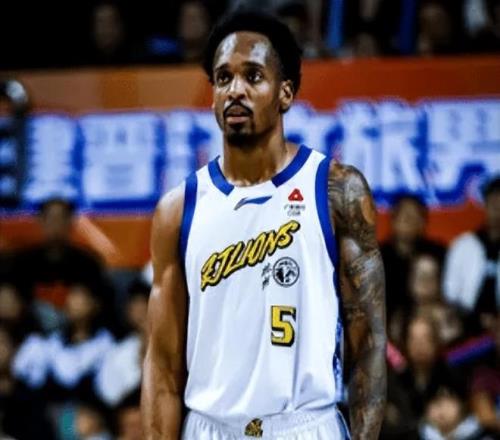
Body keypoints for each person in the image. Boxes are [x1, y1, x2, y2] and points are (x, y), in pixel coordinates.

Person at [141, 9, 386, 440]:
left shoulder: (336, 191)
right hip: (209, 428)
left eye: (253, 76)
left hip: (306, 425)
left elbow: (368, 345)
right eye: (223, 78)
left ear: (285, 92)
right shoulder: (178, 209)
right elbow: (162, 366)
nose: (235, 90)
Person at [12, 197, 112, 333]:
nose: (55, 224)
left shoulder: (87, 262)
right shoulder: (22, 262)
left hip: (77, 335)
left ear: (71, 222)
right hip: (29, 334)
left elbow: (100, 303)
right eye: (50, 218)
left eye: (61, 218)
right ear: (40, 221)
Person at [443, 176, 500, 335]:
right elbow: (450, 294)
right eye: (494, 204)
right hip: (465, 323)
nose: (497, 210)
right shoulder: (463, 245)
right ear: (485, 205)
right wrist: (476, 318)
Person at [380, 194, 445, 320]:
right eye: (405, 215)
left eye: (415, 216)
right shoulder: (378, 257)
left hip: (428, 319)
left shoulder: (437, 253)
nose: (409, 221)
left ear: (424, 222)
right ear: (393, 220)